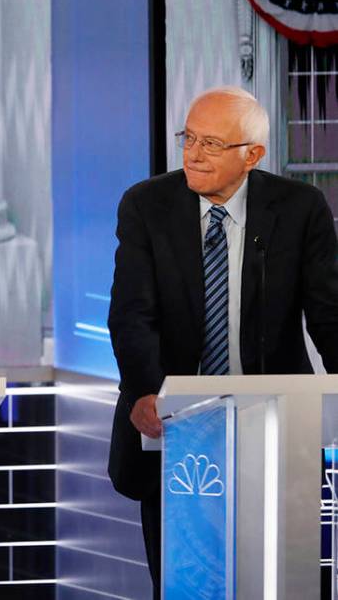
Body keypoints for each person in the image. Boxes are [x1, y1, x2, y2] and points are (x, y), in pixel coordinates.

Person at [107, 86, 338, 598]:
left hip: (275, 427)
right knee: (183, 581)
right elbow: (131, 314)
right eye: (188, 138)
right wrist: (148, 392)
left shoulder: (300, 209)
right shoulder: (146, 205)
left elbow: (329, 315)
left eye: (211, 143)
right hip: (172, 432)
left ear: (252, 155)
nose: (193, 153)